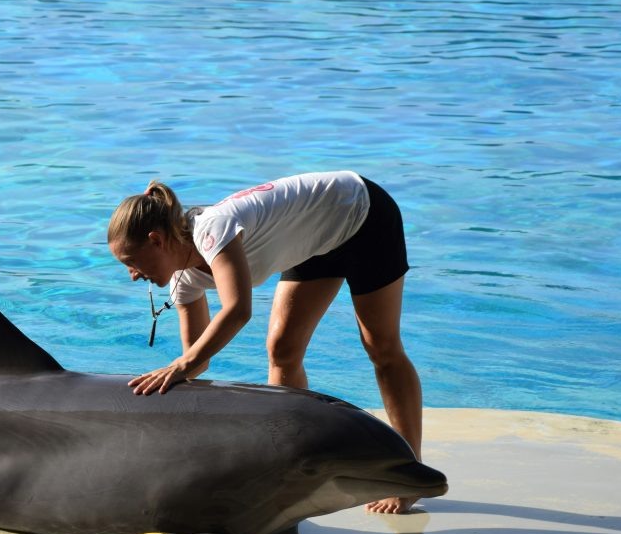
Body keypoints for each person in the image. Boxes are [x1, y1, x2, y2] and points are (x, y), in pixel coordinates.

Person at [107, 170, 423, 514]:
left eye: (131, 262)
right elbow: (197, 362)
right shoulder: (183, 282)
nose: (133, 275)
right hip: (316, 241)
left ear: (156, 240)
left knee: (381, 347)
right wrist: (162, 406)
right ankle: (288, 462)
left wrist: (180, 365)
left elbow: (238, 309)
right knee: (283, 350)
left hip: (359, 213)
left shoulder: (212, 230)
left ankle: (407, 474)